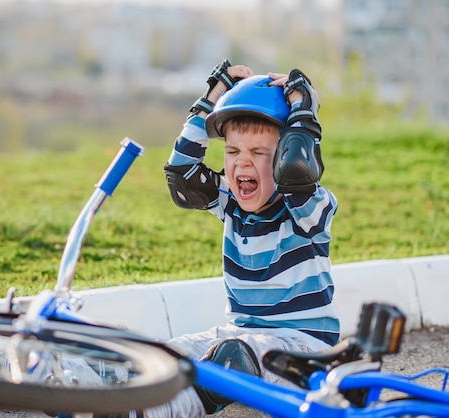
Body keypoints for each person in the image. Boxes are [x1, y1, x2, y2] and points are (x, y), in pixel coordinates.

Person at [139, 60, 340, 418]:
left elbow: (298, 172)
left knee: (234, 355)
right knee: (166, 353)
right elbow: (183, 177)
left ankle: (150, 413)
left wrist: (303, 108)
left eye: (259, 153)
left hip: (304, 352)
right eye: (233, 152)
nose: (241, 164)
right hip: (241, 338)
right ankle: (88, 393)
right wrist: (211, 98)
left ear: (285, 158)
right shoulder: (230, 200)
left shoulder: (309, 208)